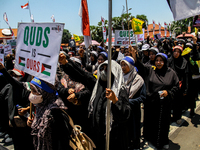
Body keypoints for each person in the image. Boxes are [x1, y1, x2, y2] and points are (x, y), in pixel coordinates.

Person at [59, 53, 131, 150]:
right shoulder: (97, 85)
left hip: (114, 138)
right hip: (97, 135)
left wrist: (115, 100)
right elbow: (82, 75)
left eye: (107, 69)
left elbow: (125, 114)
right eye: (103, 68)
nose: (104, 71)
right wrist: (66, 63)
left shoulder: (120, 90)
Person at [131, 46, 179, 149]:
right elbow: (140, 66)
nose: (158, 63)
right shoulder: (150, 70)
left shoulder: (171, 73)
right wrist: (135, 56)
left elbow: (176, 86)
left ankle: (163, 141)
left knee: (163, 124)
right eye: (157, 60)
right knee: (151, 123)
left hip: (164, 105)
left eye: (161, 61)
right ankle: (150, 139)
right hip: (151, 103)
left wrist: (168, 92)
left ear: (165, 62)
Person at [120, 56, 146, 149]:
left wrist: (130, 102)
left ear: (131, 66)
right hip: (123, 110)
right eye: (121, 65)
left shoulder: (139, 79)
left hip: (134, 111)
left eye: (125, 65)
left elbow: (143, 97)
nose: (122, 67)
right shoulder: (120, 78)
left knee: (134, 130)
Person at [167, 45, 189, 124]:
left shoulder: (184, 62)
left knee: (178, 102)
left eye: (178, 52)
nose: (176, 53)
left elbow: (186, 76)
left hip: (180, 85)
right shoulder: (169, 61)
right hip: (170, 84)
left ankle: (177, 117)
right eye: (175, 51)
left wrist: (185, 89)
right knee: (169, 102)